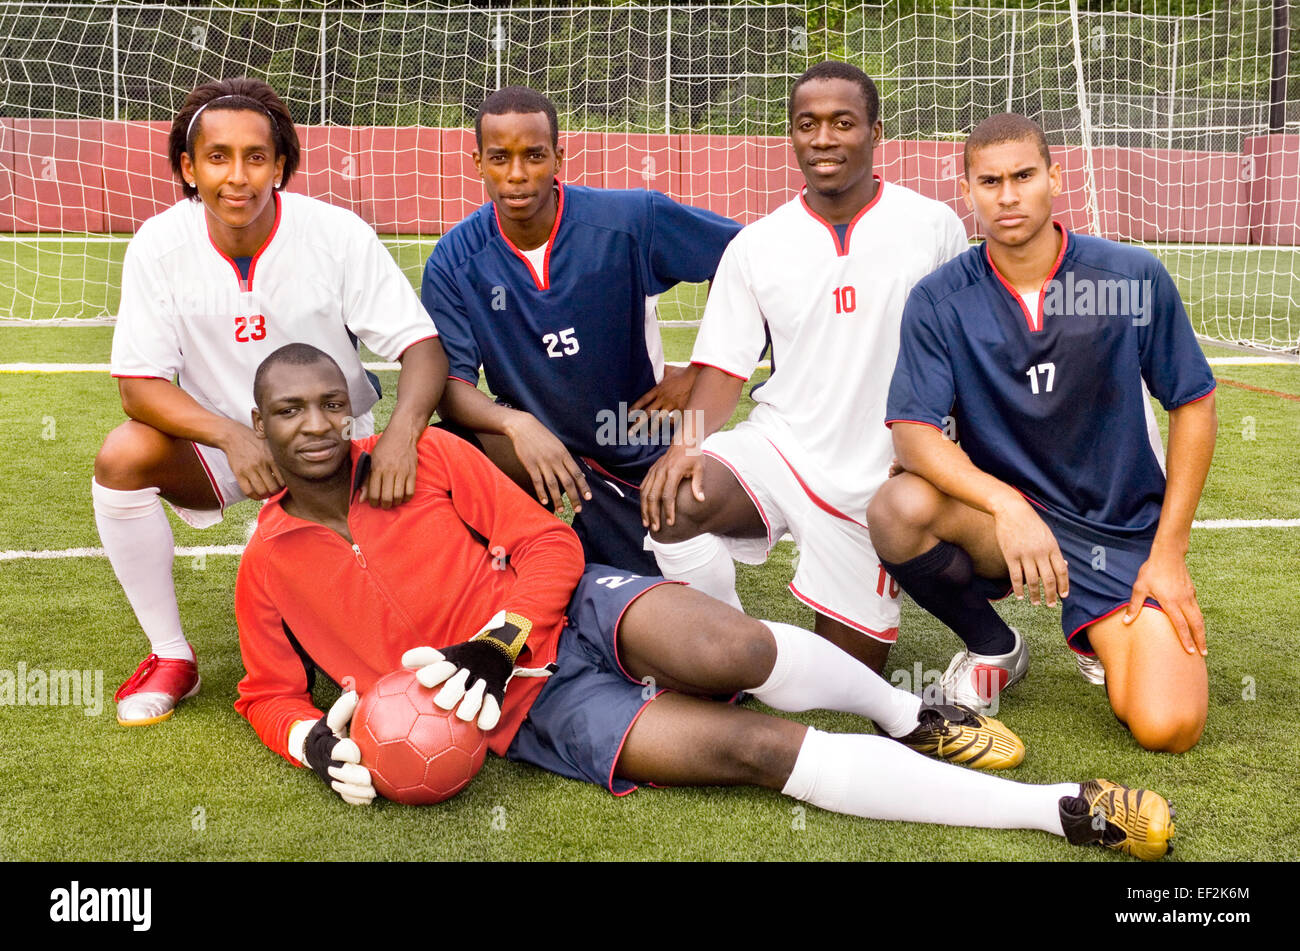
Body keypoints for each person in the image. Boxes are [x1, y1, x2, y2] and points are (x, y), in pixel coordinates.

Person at [233, 343, 1176, 862]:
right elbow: (268, 693)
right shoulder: (266, 564)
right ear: (260, 425)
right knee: (752, 747)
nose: (315, 425)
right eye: (290, 411)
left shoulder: (430, 456)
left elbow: (549, 542)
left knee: (730, 651)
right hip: (529, 711)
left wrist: (504, 630)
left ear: (354, 410)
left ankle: (903, 711)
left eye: (330, 404)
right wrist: (315, 741)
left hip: (568, 615)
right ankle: (1058, 809)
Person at [94, 77, 447, 727]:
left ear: (280, 166)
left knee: (338, 651)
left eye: (256, 157)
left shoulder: (335, 234)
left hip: (329, 450)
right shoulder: (158, 246)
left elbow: (422, 347)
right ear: (188, 168)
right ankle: (170, 654)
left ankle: (321, 575)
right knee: (122, 456)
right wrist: (232, 435)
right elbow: (137, 385)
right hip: (226, 446)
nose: (238, 176)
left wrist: (400, 435)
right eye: (217, 156)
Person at [868, 114, 1216, 753]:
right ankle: (994, 648)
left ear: (1056, 178)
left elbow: (1194, 403)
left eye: (1023, 176)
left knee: (1170, 727)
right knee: (898, 507)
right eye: (989, 181)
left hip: (1121, 533)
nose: (1007, 196)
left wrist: (1168, 556)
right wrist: (1007, 504)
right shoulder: (940, 300)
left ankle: (1101, 635)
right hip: (1007, 528)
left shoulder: (1129, 277)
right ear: (967, 190)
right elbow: (913, 435)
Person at [640, 62, 969, 673]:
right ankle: (723, 641)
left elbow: (964, 348)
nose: (824, 138)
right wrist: (688, 443)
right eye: (807, 124)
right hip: (784, 444)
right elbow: (722, 368)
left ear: (875, 131)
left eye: (843, 123)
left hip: (881, 478)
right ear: (791, 135)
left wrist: (949, 445)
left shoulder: (932, 227)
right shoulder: (758, 244)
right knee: (674, 502)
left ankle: (985, 633)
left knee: (846, 673)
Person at [422, 85, 743, 587]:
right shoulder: (454, 258)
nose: (517, 174)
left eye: (534, 155)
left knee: (679, 602)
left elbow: (752, 263)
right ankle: (488, 577)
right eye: (500, 158)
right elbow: (449, 386)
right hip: (540, 452)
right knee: (433, 456)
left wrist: (703, 369)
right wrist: (517, 424)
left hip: (635, 442)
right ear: (477, 163)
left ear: (559, 157)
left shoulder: (632, 219)